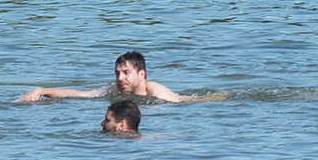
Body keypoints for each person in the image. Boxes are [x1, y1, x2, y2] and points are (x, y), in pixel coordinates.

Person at [17, 50, 189, 104]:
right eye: (117, 73)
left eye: (126, 73)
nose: (120, 78)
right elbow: (81, 94)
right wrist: (42, 90)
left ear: (141, 74)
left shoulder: (155, 91)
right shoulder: (115, 90)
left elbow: (179, 107)